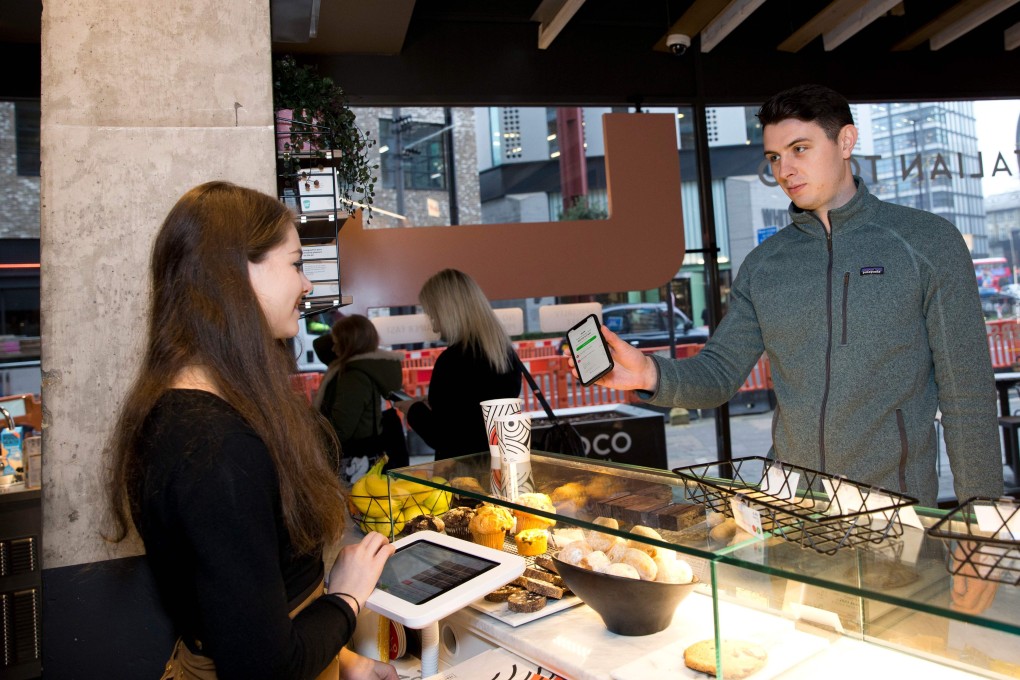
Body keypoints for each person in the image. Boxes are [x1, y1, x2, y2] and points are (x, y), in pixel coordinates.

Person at [582, 84, 1003, 509]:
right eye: (774, 157)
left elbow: (967, 395)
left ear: (845, 141)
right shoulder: (766, 264)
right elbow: (720, 373)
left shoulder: (928, 243)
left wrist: (982, 524)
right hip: (787, 505)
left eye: (800, 148)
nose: (785, 170)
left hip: (892, 506)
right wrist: (649, 374)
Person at [106, 181, 397, 680]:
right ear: (236, 274)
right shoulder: (218, 449)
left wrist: (346, 663)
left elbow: (247, 613)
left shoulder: (183, 416)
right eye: (296, 263)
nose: (306, 285)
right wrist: (347, 596)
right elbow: (265, 666)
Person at [396, 268, 522, 460]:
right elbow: (472, 411)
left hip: (462, 476)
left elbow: (443, 436)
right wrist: (434, 402)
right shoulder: (503, 352)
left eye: (432, 314)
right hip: (501, 466)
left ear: (447, 312)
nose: (433, 324)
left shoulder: (452, 361)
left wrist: (412, 409)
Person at [313, 314, 404, 483]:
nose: (332, 348)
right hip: (374, 453)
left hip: (356, 459)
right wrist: (347, 330)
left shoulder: (354, 376)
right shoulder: (371, 367)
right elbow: (319, 345)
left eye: (336, 342)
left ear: (347, 343)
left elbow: (342, 428)